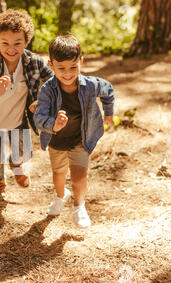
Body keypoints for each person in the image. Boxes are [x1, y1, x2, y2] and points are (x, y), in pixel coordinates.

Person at [33, 34, 114, 227]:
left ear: (81, 61)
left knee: (79, 176)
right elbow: (39, 117)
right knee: (59, 175)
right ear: (51, 65)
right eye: (61, 68)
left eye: (73, 67)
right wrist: (54, 124)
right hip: (57, 142)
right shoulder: (47, 90)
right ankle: (61, 196)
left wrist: (108, 114)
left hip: (81, 139)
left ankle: (79, 206)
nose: (68, 73)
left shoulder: (91, 85)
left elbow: (108, 90)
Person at [0, 9, 54, 199]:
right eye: (5, 43)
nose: (11, 48)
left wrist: (41, 100)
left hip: (19, 120)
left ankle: (16, 163)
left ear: (26, 42)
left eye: (17, 43)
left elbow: (53, 81)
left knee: (25, 152)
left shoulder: (34, 62)